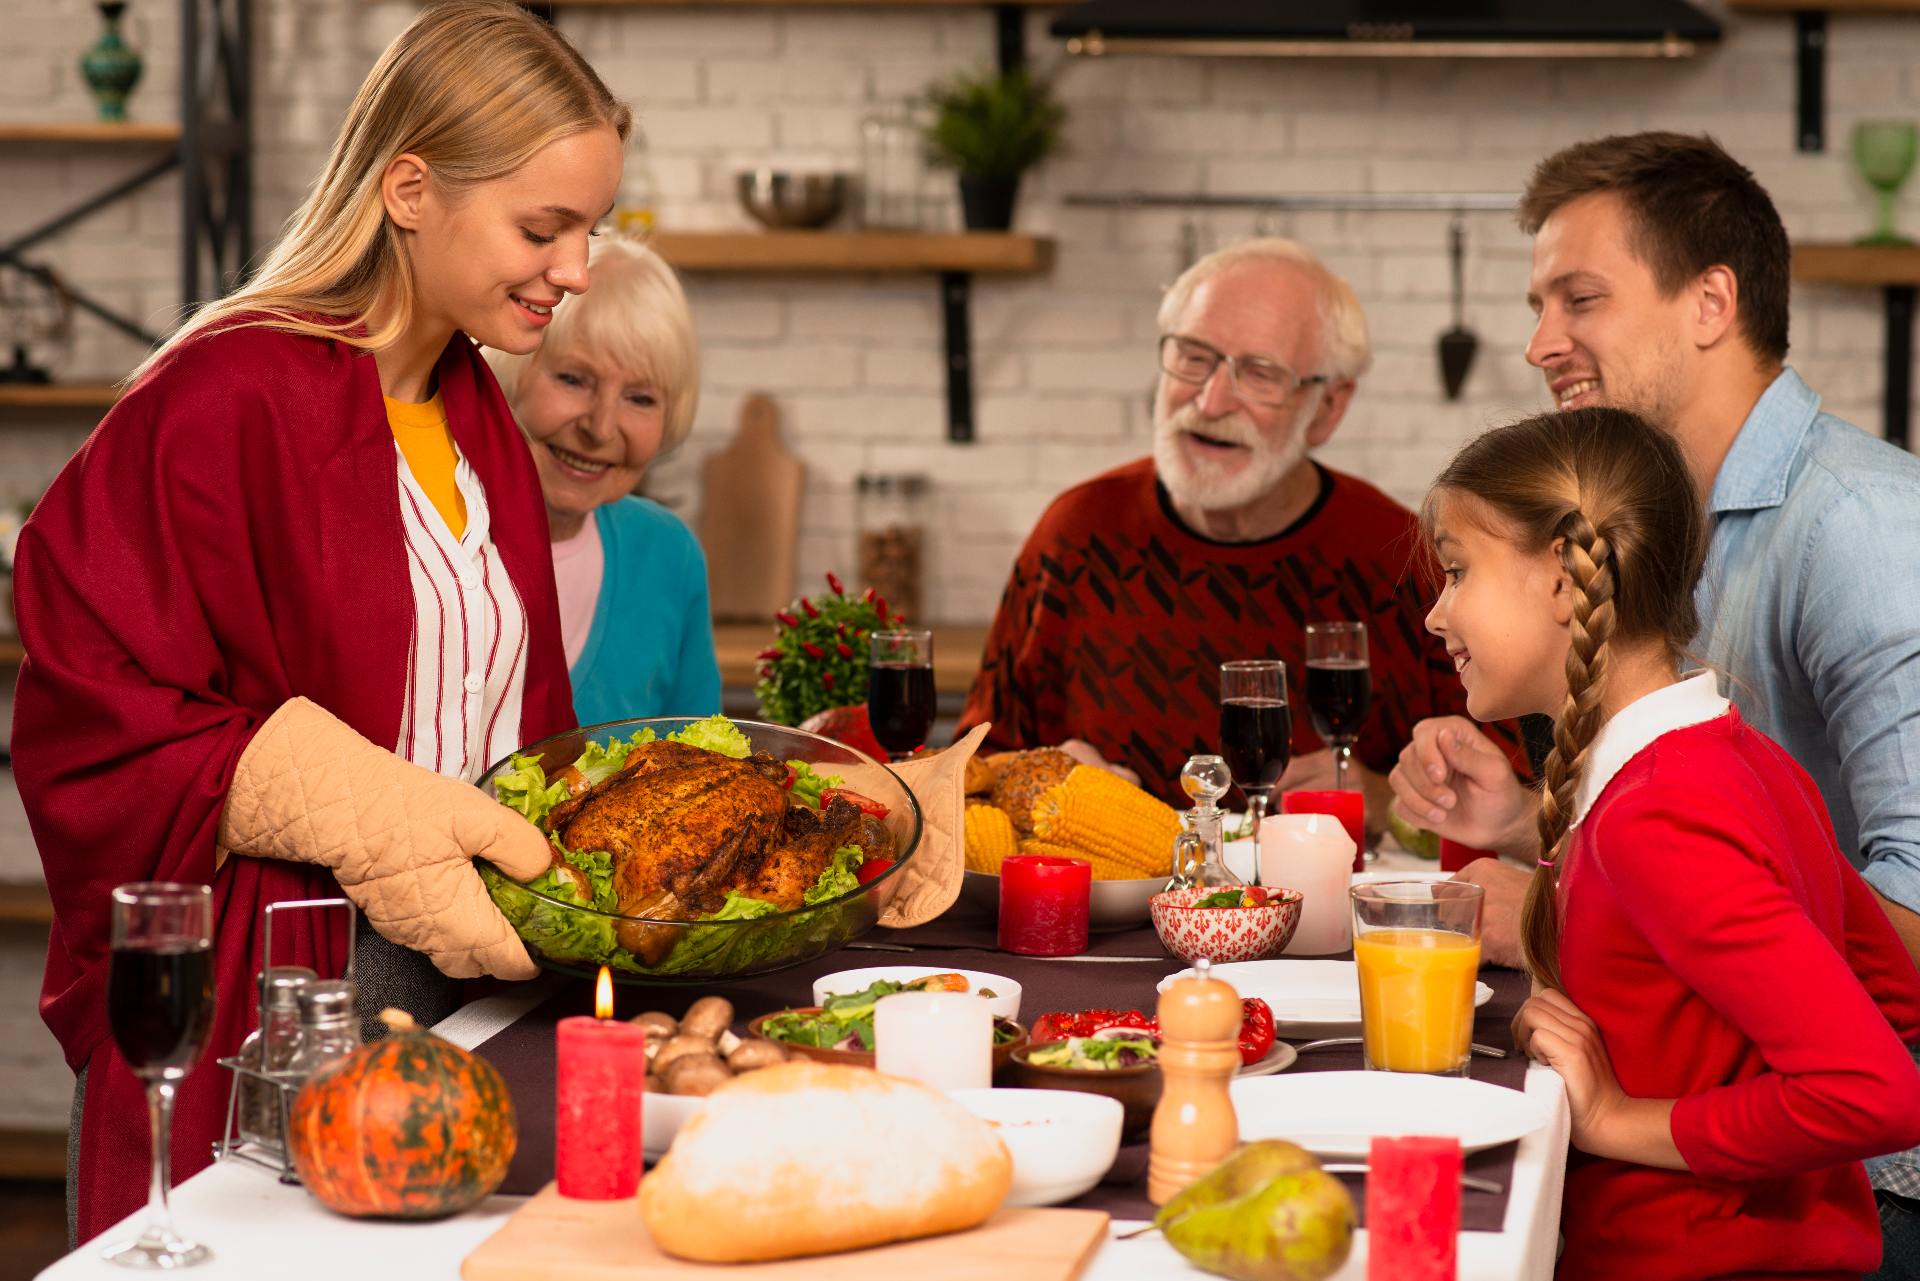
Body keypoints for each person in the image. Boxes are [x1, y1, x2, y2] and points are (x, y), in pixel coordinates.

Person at [11, 1, 627, 1243]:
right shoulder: (227, 392)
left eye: (590, 231)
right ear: (410, 190)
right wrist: (348, 799)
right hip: (284, 1007)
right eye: (543, 228)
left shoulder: (476, 415)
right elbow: (91, 706)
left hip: (459, 993)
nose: (575, 269)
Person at [1386, 133, 1920, 1270]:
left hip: (1821, 1193)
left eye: (1580, 298)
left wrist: (1624, 1099)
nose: (1538, 344)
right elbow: (1773, 885)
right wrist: (1548, 837)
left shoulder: (1867, 532)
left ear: (1711, 302)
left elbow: (1877, 1027)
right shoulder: (1703, 706)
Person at [1427, 406, 1920, 1280]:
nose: (1437, 613)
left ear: (1563, 580)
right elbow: (1895, 995)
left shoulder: (1661, 811)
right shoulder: (1740, 758)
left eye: (1457, 570)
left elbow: (1875, 1088)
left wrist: (1616, 1115)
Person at [957, 237, 1518, 811]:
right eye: (1194, 357)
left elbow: (1515, 792)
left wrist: (1380, 798)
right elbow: (968, 769)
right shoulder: (1075, 535)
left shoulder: (1400, 557)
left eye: (1259, 373)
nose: (1211, 400)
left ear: (1328, 409)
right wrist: (1042, 781)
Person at [484, 236, 721, 726]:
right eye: (573, 379)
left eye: (640, 398)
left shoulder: (667, 552)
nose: (601, 428)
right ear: (510, 374)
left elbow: (702, 765)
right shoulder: (430, 538)